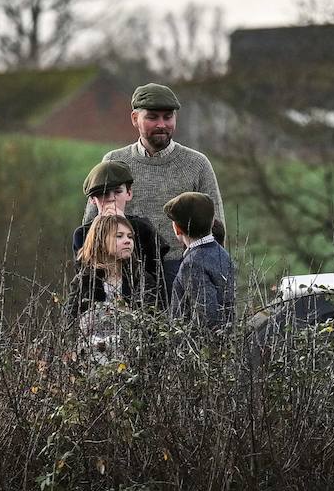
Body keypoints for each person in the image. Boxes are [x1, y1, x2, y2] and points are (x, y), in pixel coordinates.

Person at [81, 82, 225, 289]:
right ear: (134, 118)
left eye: (168, 117)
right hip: (126, 275)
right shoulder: (113, 162)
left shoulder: (197, 164)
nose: (161, 124)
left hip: (184, 271)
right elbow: (91, 226)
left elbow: (217, 227)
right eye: (152, 117)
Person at [73, 160, 169, 307]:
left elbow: (156, 274)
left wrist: (123, 228)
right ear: (93, 200)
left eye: (118, 192)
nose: (111, 198)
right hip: (97, 310)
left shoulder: (143, 228)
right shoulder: (83, 233)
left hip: (139, 310)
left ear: (129, 193)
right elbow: (84, 275)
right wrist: (101, 230)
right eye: (103, 194)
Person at [164, 192, 236, 329]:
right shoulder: (223, 254)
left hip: (199, 348)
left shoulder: (192, 264)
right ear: (213, 221)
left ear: (178, 229)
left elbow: (209, 318)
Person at [66, 212, 147, 331]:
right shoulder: (84, 280)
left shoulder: (140, 278)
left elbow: (153, 321)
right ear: (100, 240)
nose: (127, 241)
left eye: (130, 237)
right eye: (119, 236)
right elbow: (69, 324)